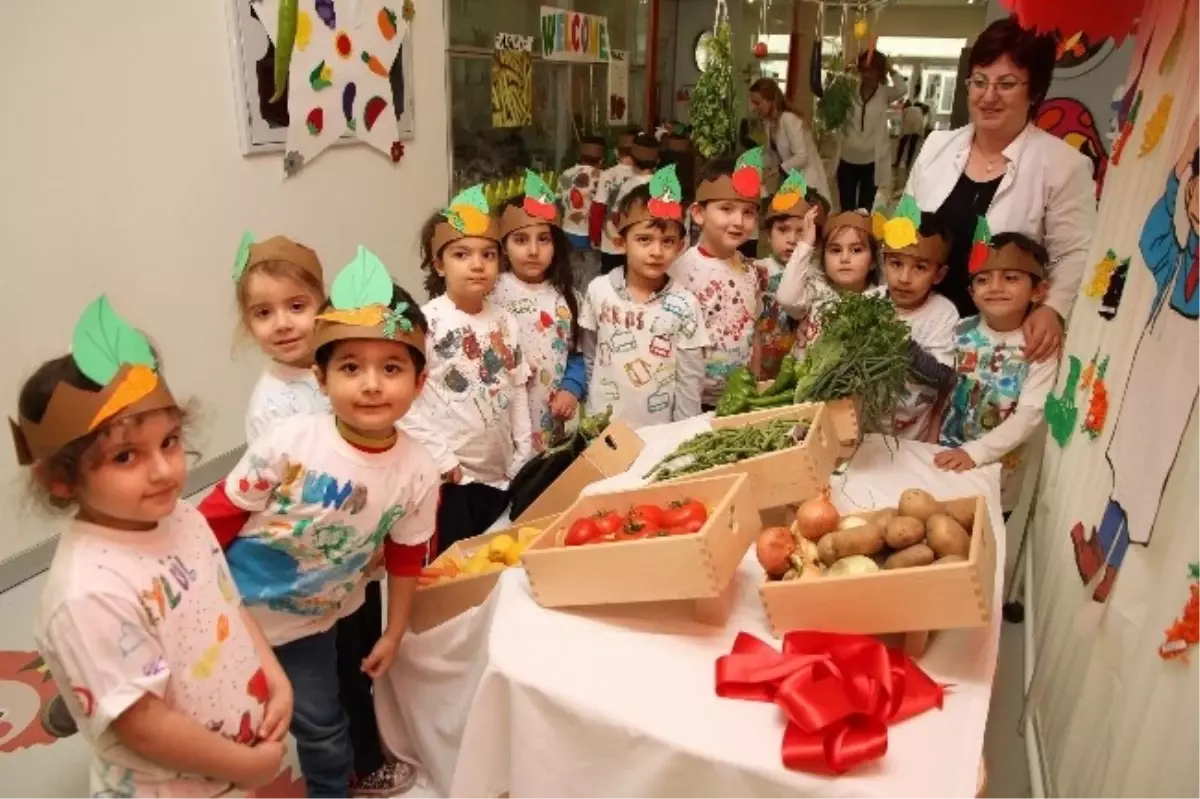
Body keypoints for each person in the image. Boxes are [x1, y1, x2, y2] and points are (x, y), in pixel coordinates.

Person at [22, 296, 291, 796]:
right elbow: (143, 724)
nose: (166, 470)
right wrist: (245, 765)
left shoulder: (182, 516)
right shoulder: (85, 596)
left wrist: (274, 676)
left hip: (232, 770)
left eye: (169, 441)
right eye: (126, 456)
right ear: (62, 479)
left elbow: (226, 604)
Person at [198, 247, 438, 798]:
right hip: (226, 614)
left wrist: (395, 629)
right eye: (351, 367)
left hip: (311, 626)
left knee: (325, 731)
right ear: (321, 377)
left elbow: (406, 555)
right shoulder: (288, 441)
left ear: (420, 383)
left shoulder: (418, 471)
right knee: (217, 729)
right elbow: (213, 519)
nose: (372, 384)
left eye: (392, 368)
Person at [905, 17, 1097, 363]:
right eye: (979, 81)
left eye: (1006, 84)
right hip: (924, 326)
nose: (988, 96)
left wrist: (1053, 309)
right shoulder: (937, 146)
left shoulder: (1064, 165)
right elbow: (906, 226)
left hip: (1000, 340)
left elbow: (1074, 253)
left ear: (1034, 91)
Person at [402, 186, 532, 551]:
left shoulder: (506, 321)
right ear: (439, 264)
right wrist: (442, 457)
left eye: (488, 255)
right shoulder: (426, 324)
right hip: (452, 477)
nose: (477, 264)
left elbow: (518, 385)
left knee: (492, 560)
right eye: (462, 254)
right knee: (451, 567)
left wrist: (523, 453)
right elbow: (405, 402)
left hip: (500, 474)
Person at [935, 232, 1059, 509]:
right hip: (943, 459)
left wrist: (976, 452)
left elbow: (1030, 414)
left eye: (1011, 278)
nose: (995, 287)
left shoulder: (1039, 345)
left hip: (998, 475)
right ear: (971, 293)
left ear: (1038, 290)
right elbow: (939, 389)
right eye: (982, 279)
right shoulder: (958, 329)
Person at [579, 168, 708, 427]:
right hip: (603, 430)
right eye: (644, 239)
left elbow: (689, 382)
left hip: (657, 433)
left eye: (668, 241)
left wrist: (682, 436)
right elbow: (590, 357)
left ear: (681, 246)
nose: (656, 251)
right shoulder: (598, 291)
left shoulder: (686, 306)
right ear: (621, 242)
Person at [492, 172, 588, 453]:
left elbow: (578, 355)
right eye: (521, 240)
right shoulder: (492, 292)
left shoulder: (570, 298)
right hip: (501, 425)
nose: (533, 250)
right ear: (504, 248)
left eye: (543, 239)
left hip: (549, 427)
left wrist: (572, 389)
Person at [671, 150, 764, 409]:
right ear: (699, 214)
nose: (738, 221)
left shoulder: (751, 271)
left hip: (738, 397)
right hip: (691, 401)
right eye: (726, 209)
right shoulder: (679, 271)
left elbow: (753, 332)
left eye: (748, 212)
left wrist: (753, 383)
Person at [876, 204, 961, 439]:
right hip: (865, 427)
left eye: (920, 268)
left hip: (912, 435)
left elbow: (943, 377)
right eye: (896, 264)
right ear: (883, 263)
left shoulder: (943, 313)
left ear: (939, 275)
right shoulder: (868, 301)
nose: (904, 278)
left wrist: (904, 345)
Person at [775, 209, 883, 361]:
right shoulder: (816, 289)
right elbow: (786, 298)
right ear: (823, 258)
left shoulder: (879, 301)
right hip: (802, 379)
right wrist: (805, 245)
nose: (845, 258)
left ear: (872, 261)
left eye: (856, 250)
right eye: (836, 250)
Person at [752, 169, 811, 380]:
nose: (792, 239)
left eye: (800, 231)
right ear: (769, 235)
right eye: (783, 230)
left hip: (796, 368)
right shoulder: (756, 270)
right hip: (758, 364)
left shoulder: (813, 276)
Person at [837, 48, 908, 212]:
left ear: (879, 72)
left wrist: (890, 68)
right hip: (847, 158)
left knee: (864, 209)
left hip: (871, 161)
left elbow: (902, 88)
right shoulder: (850, 90)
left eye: (873, 70)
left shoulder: (885, 93)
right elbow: (832, 89)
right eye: (864, 69)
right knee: (846, 209)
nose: (867, 75)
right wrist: (849, 67)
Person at [748, 77, 832, 202]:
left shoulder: (789, 119)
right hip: (792, 182)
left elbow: (802, 157)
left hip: (809, 184)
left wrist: (779, 169)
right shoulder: (769, 124)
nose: (753, 108)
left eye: (757, 103)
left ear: (770, 101)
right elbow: (775, 156)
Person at [597, 134, 660, 275]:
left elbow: (615, 216)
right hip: (652, 248)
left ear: (632, 159)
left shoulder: (627, 185)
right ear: (658, 160)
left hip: (623, 248)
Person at [589, 127, 640, 273]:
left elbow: (598, 207)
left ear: (617, 152)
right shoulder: (645, 176)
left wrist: (594, 235)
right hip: (635, 242)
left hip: (611, 241)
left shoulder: (607, 174)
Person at [895, 101, 926, 171]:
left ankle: (897, 162)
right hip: (917, 126)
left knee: (902, 144)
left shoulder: (907, 110)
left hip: (909, 125)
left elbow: (902, 122)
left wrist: (900, 136)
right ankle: (908, 164)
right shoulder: (919, 110)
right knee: (912, 145)